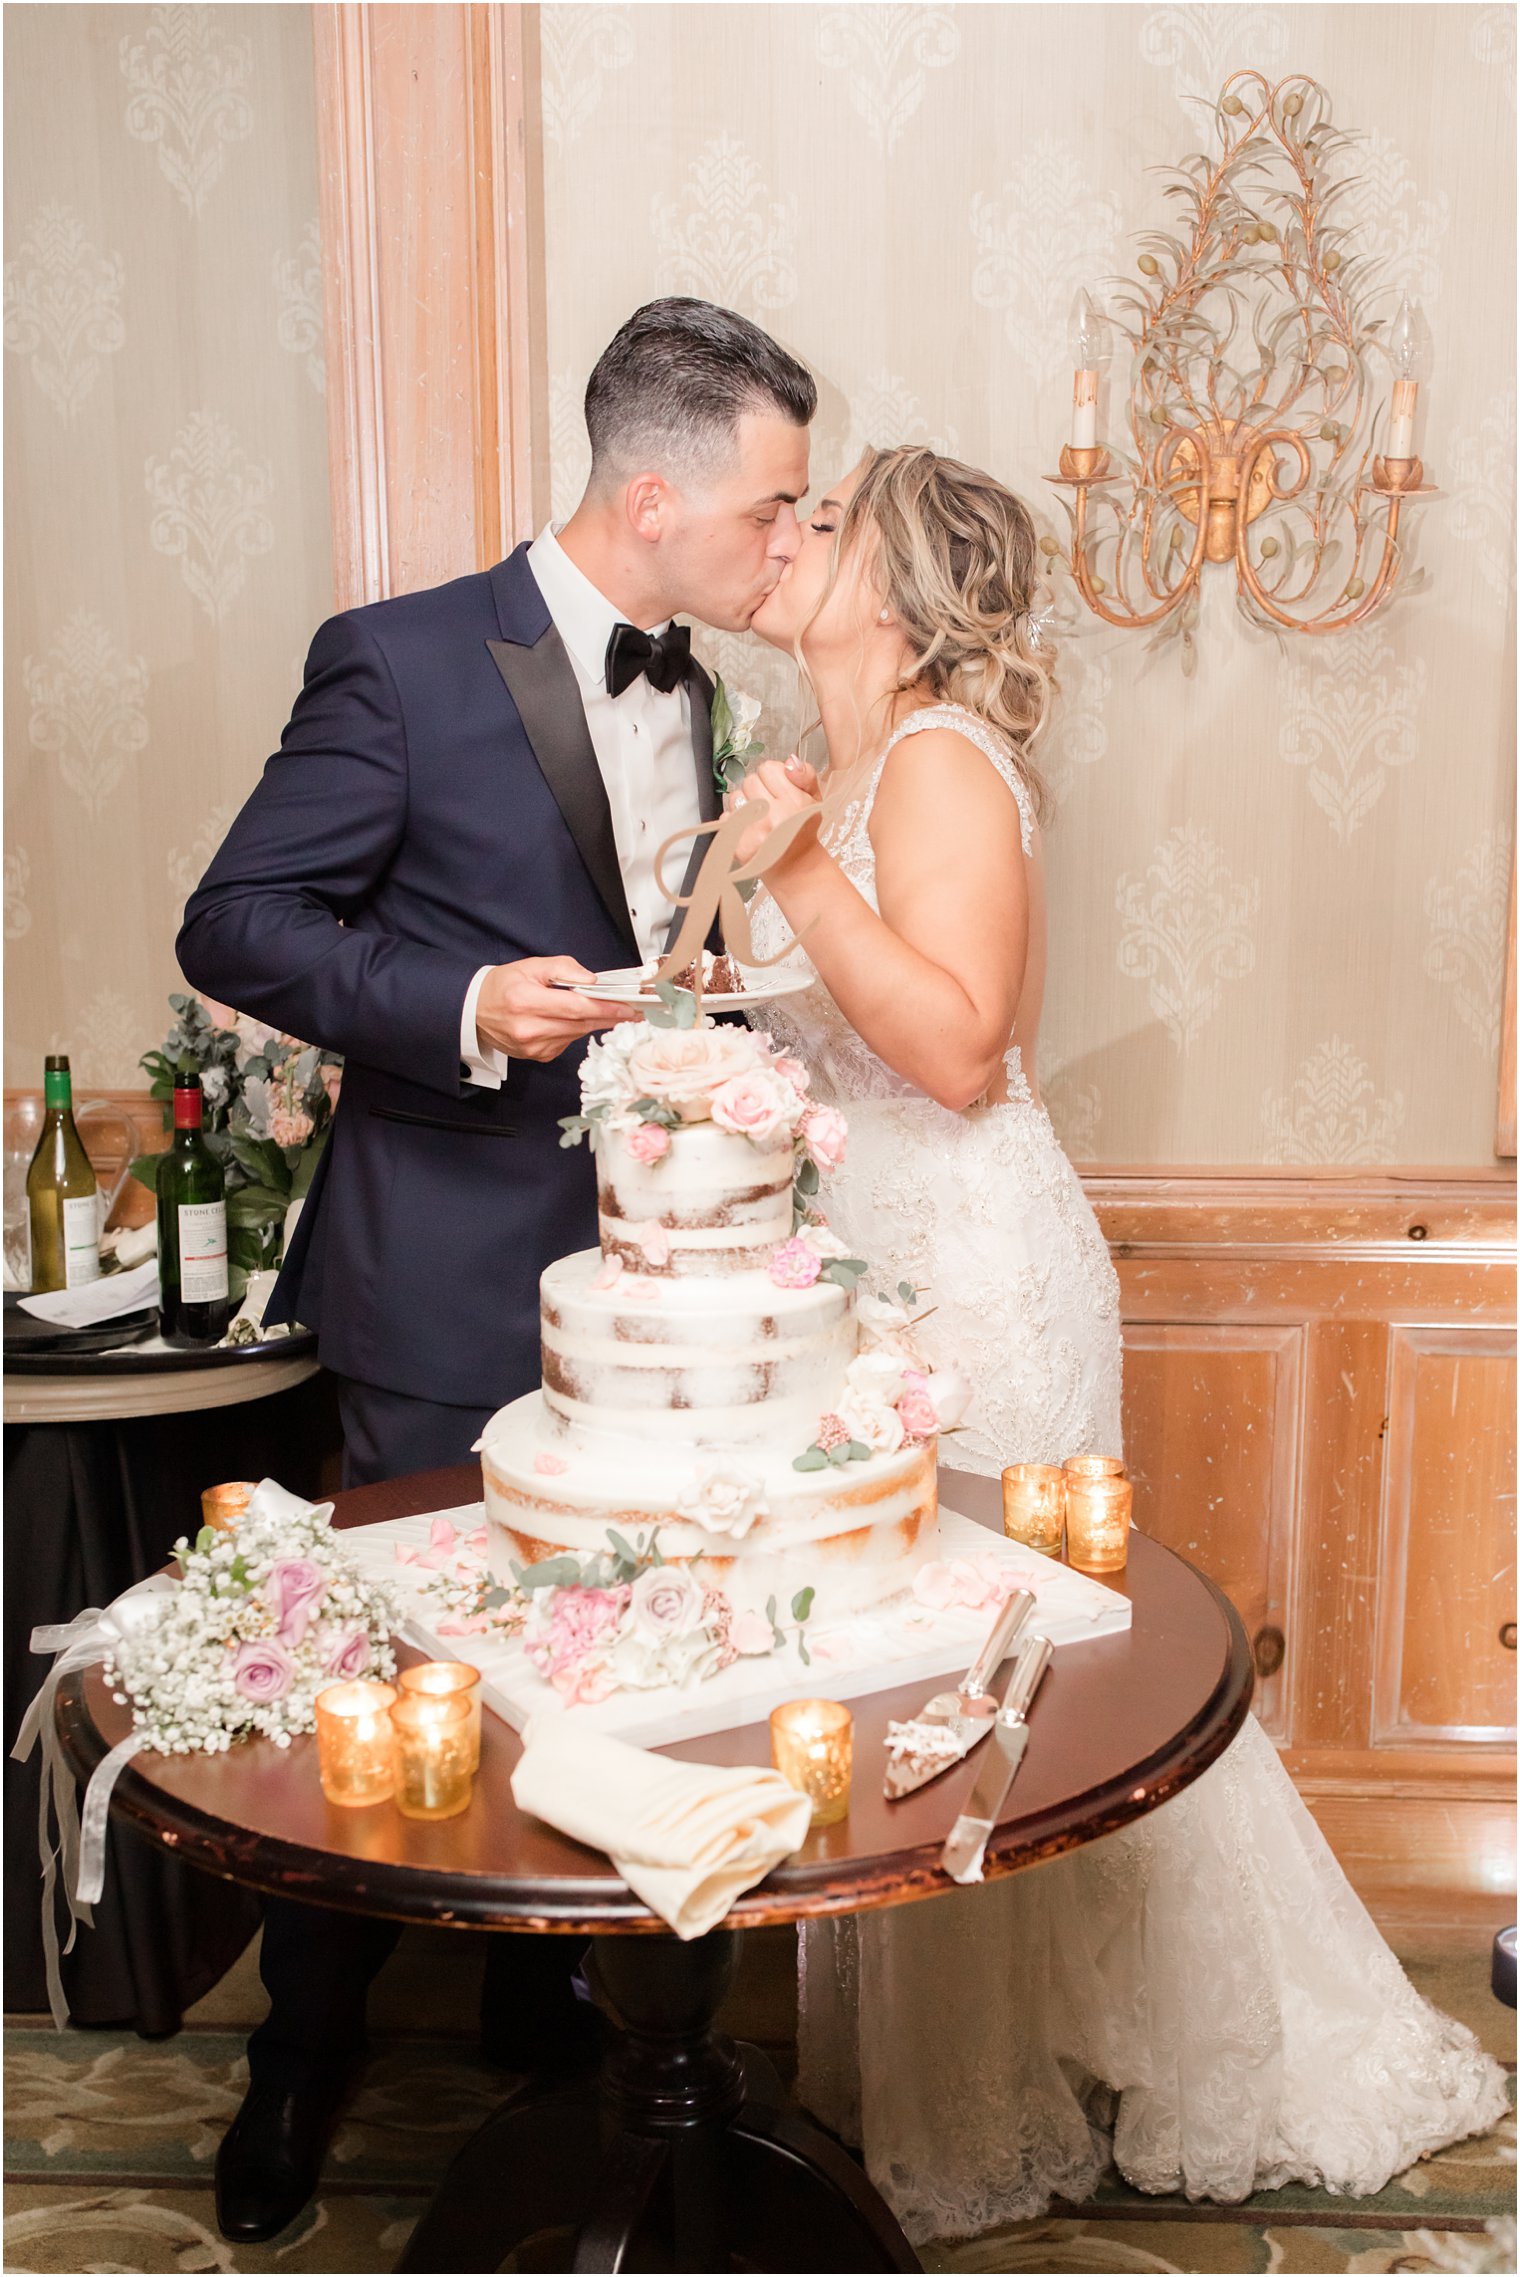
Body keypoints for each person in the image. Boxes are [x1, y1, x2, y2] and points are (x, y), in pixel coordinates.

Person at [728, 444, 1506, 2243]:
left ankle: (1145, 2060)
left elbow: (961, 1047)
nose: (791, 536)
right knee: (912, 1686)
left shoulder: (932, 759)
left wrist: (795, 876)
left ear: (910, 591)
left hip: (982, 1283)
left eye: (827, 519)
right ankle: (948, 2076)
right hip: (865, 1286)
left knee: (1010, 1678)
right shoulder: (830, 770)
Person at [175, 297, 815, 2244]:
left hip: (633, 1284)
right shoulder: (398, 660)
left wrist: (689, 994)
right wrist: (457, 999)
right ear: (654, 495)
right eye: (771, 508)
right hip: (443, 1276)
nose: (787, 542)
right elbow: (237, 922)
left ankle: (560, 2002)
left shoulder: (689, 688)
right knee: (389, 1681)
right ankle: (304, 2048)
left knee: (599, 1663)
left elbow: (631, 926)